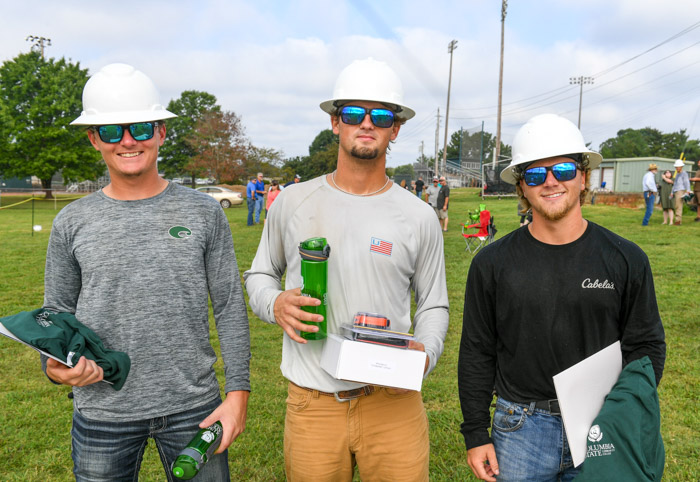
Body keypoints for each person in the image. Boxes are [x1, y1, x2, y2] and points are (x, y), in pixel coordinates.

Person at [244, 58, 449, 481]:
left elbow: (434, 304)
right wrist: (275, 302)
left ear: (395, 128)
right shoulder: (293, 201)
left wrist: (426, 354)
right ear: (336, 122)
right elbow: (259, 276)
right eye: (355, 113)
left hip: (393, 402)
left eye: (382, 115)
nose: (367, 123)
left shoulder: (419, 215)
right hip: (313, 403)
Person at [46, 63, 251, 481]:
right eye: (111, 131)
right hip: (103, 409)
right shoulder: (71, 221)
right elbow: (56, 313)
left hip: (194, 407)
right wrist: (55, 365)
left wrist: (238, 394)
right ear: (93, 139)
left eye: (140, 128)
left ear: (160, 131)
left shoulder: (204, 211)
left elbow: (230, 305)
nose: (127, 141)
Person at [458, 113, 666, 482]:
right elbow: (477, 350)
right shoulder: (491, 264)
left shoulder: (625, 258)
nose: (551, 182)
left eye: (564, 170)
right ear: (522, 187)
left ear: (583, 176)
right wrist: (476, 432)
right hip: (520, 427)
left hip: (601, 423)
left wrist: (622, 413)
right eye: (536, 174)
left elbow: (647, 345)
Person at [671, 159, 690, 225]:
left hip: (680, 191)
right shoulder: (677, 174)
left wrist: (688, 191)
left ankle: (678, 221)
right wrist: (672, 192)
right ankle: (677, 220)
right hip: (676, 191)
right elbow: (675, 184)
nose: (676, 168)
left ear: (681, 166)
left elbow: (686, 182)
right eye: (676, 167)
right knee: (676, 206)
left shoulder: (684, 174)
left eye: (677, 167)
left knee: (679, 206)